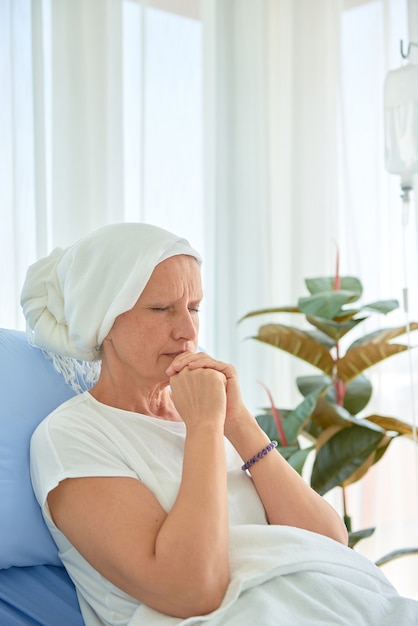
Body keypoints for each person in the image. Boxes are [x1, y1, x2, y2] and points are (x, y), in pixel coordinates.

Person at [21, 223, 418, 626]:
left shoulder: (208, 413)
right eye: (162, 309)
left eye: (193, 307)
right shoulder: (71, 437)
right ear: (103, 319)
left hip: (341, 603)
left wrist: (239, 422)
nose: (189, 331)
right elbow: (194, 589)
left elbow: (330, 543)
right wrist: (205, 427)